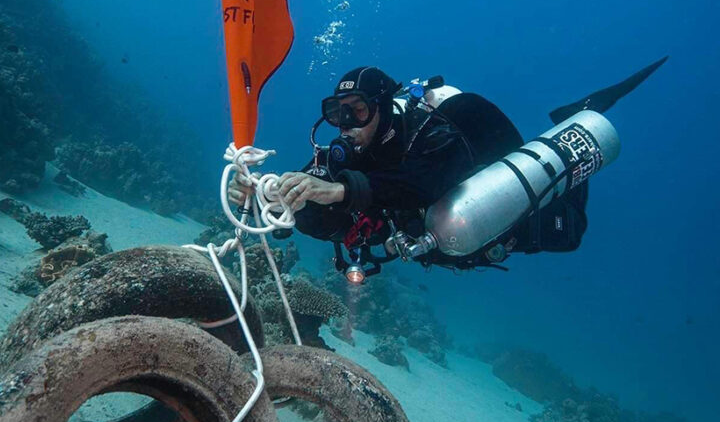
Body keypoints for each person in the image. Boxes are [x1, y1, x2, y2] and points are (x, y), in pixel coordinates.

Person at [229, 60, 666, 276]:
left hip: (500, 214)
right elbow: (318, 211)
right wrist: (266, 199)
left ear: (381, 107)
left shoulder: (429, 131)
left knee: (568, 233)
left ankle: (574, 124)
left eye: (357, 111)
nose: (345, 127)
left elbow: (422, 184)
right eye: (337, 113)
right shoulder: (351, 149)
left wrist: (339, 190)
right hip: (430, 234)